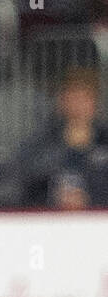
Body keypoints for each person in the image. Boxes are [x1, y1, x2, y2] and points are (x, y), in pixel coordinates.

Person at [13, 67, 108, 210]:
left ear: (95, 102)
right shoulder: (40, 142)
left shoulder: (104, 140)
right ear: (62, 101)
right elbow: (23, 182)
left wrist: (91, 197)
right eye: (72, 98)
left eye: (84, 99)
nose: (78, 106)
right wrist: (53, 197)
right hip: (50, 222)